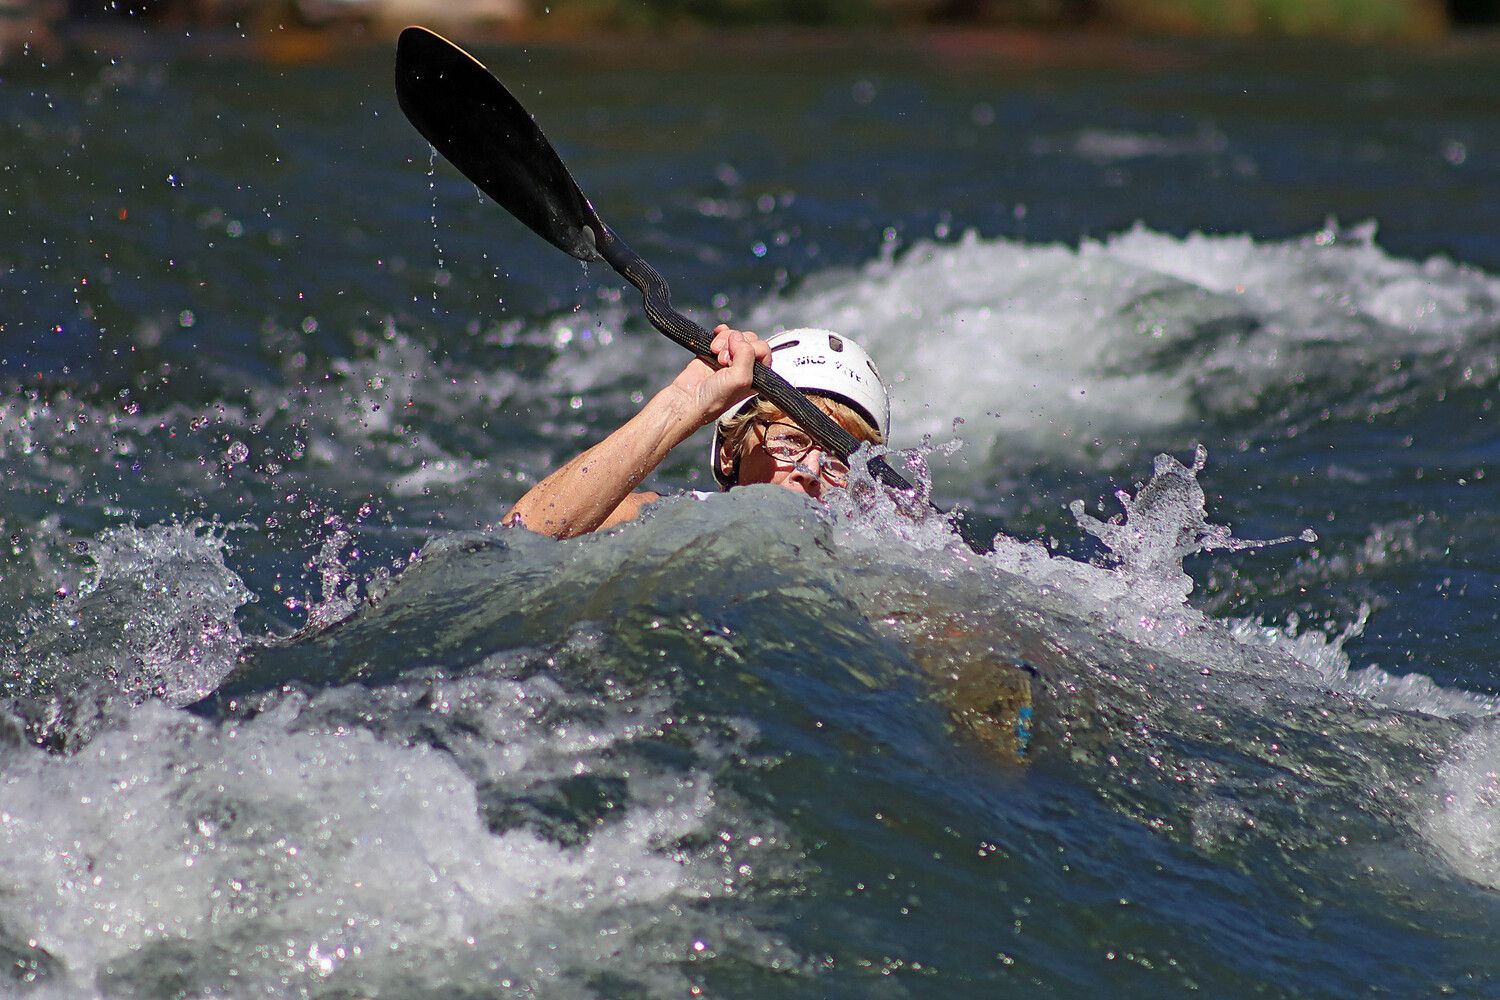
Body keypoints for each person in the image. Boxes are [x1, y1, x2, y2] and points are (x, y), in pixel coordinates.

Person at [504, 324, 890, 539]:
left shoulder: (882, 569)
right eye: (788, 440)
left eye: (839, 459)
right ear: (730, 453)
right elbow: (521, 539)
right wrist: (682, 404)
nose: (811, 471)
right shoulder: (665, 523)